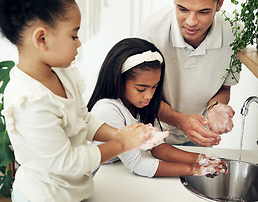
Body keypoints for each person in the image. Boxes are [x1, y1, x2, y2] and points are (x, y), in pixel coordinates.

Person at [0, 0, 159, 201]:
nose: (79, 43)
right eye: (74, 35)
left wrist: (119, 134)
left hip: (73, 192)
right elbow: (66, 163)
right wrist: (121, 145)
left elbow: (83, 119)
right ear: (42, 38)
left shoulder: (62, 73)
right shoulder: (30, 101)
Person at [87, 38, 227, 177]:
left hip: (116, 170)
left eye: (154, 87)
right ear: (118, 80)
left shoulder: (141, 104)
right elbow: (137, 164)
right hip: (96, 176)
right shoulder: (107, 109)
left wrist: (202, 159)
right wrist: (195, 169)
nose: (149, 95)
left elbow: (159, 147)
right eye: (141, 89)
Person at [137, 0, 239, 147]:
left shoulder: (235, 34)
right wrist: (179, 120)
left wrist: (215, 108)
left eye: (203, 11)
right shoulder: (151, 34)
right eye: (183, 9)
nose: (191, 22)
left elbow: (224, 87)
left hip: (198, 134)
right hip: (151, 133)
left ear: (220, 3)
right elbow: (143, 94)